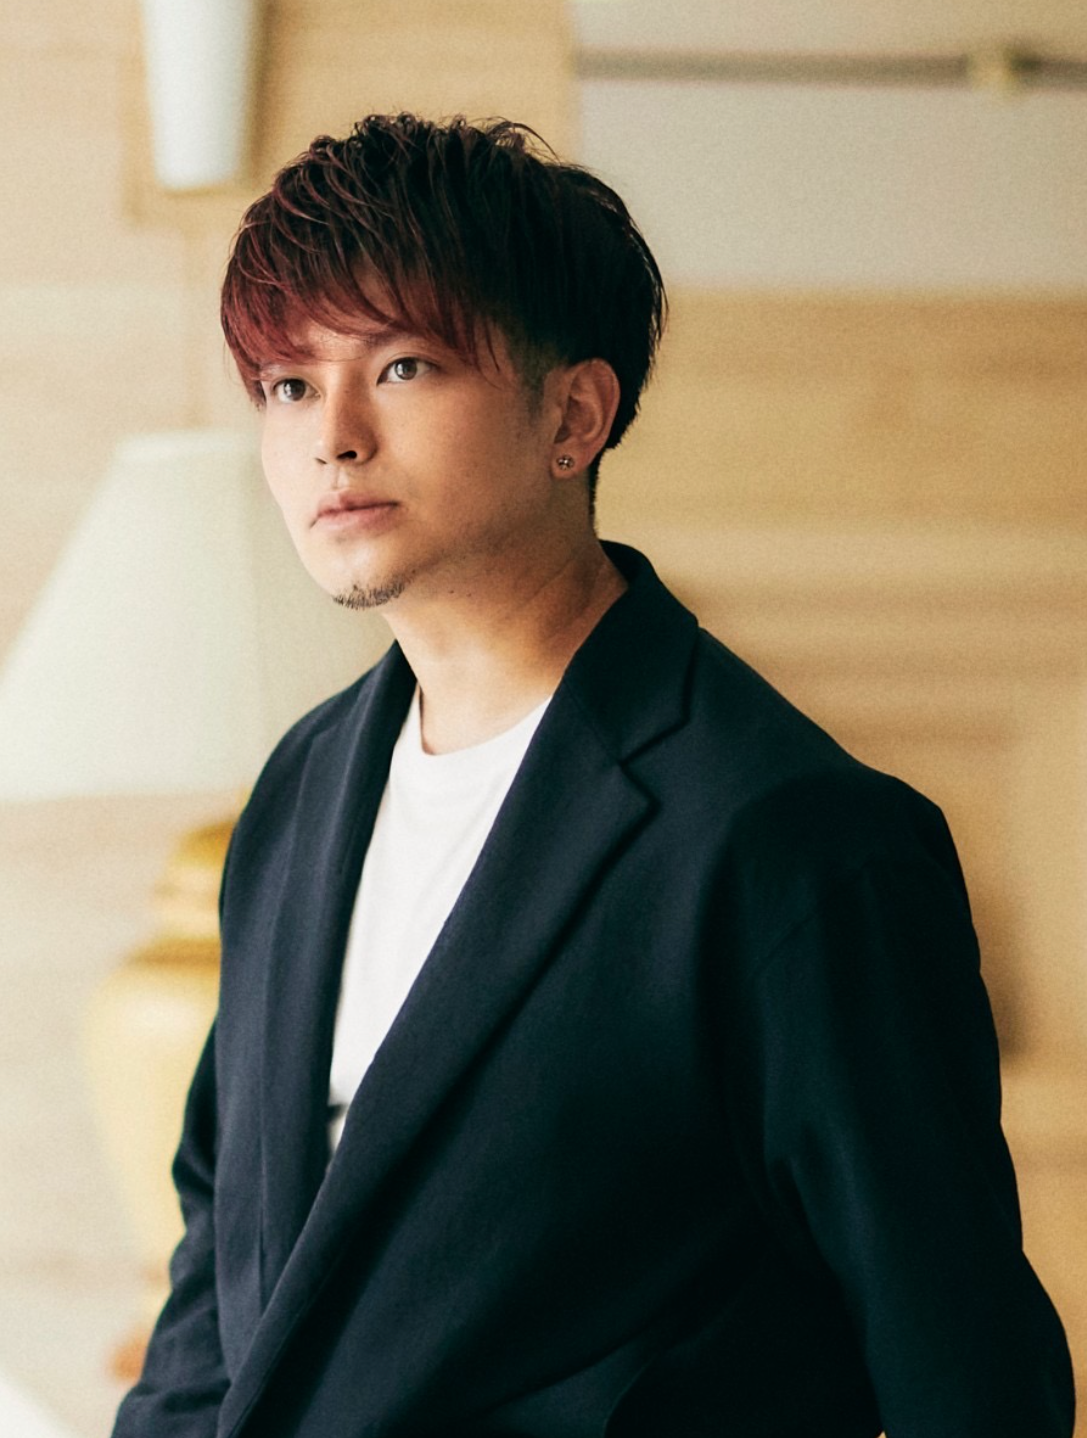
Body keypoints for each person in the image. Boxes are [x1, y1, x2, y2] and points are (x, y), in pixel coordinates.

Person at [111, 113, 1074, 1438]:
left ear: (573, 413)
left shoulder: (791, 838)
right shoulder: (301, 789)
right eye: (286, 385)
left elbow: (964, 1372)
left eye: (401, 366)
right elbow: (220, 1271)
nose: (332, 435)